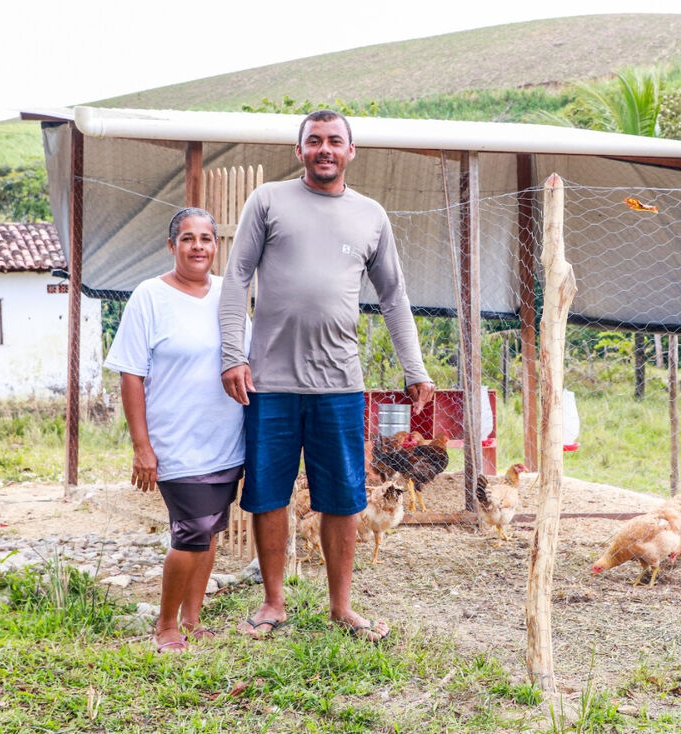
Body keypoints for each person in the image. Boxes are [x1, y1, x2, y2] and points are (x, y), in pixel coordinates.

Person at [219, 109, 435, 642]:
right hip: (268, 381)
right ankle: (273, 603)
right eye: (313, 141)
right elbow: (236, 276)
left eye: (334, 141)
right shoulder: (268, 200)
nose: (324, 149)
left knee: (341, 497)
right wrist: (231, 354)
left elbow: (394, 297)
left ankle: (342, 607)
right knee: (268, 493)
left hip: (339, 381)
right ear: (299, 151)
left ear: (351, 151)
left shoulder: (370, 215)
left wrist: (416, 367)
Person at [105, 207, 247, 653]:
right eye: (188, 238)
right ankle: (166, 625)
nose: (198, 246)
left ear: (216, 246)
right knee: (191, 531)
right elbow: (131, 374)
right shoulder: (150, 296)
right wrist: (141, 446)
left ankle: (193, 618)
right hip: (176, 442)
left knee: (209, 531)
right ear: (172, 246)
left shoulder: (230, 293)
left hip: (226, 437)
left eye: (206, 238)